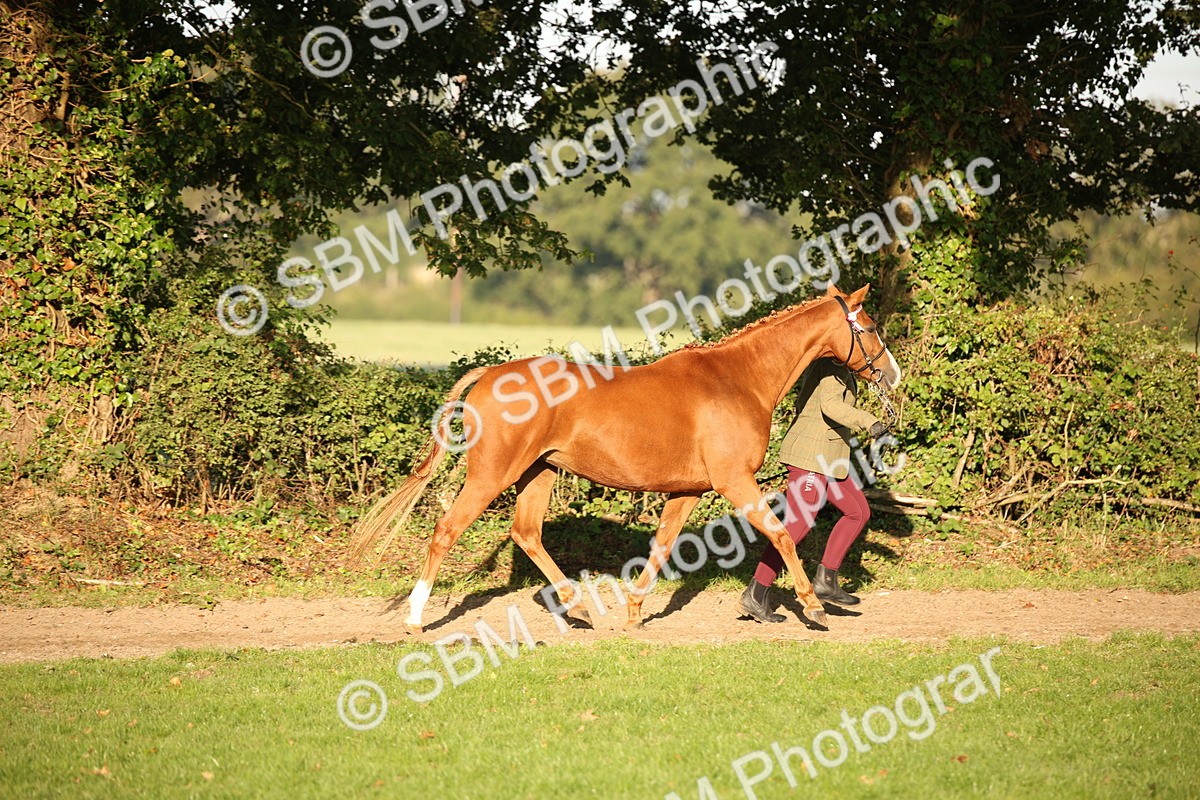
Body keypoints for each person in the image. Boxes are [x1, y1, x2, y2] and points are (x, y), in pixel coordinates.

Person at [739, 357, 890, 623]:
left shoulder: (839, 365)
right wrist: (869, 422)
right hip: (811, 455)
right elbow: (830, 405)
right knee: (798, 525)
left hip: (829, 457)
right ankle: (756, 593)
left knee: (857, 512)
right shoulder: (831, 365)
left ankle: (826, 581)